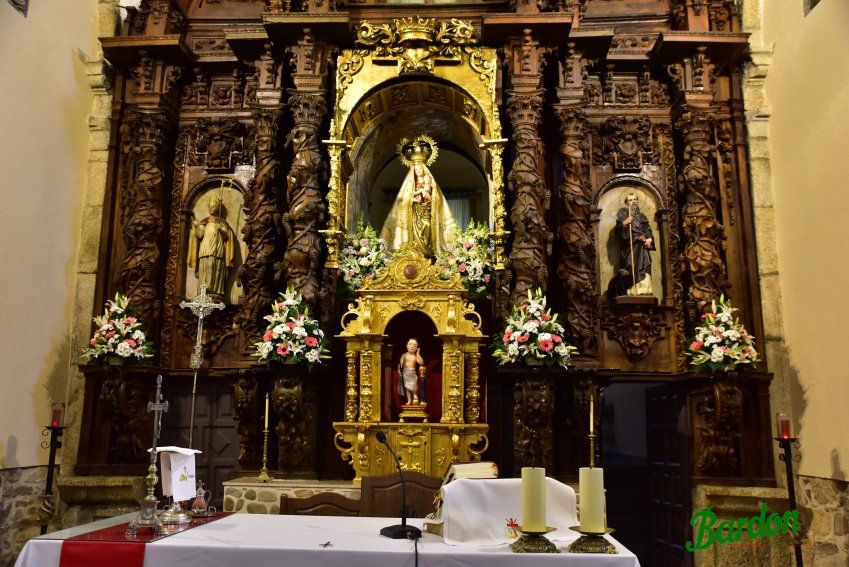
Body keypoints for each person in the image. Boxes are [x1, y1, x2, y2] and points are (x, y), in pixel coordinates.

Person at [379, 136, 455, 255]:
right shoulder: (409, 186)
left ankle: (426, 252)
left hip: (426, 214)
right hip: (413, 215)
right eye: (417, 169)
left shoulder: (429, 184)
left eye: (421, 168)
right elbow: (403, 201)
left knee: (427, 228)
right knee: (413, 234)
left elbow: (435, 200)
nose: (419, 170)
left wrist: (429, 194)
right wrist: (411, 200)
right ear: (413, 170)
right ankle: (414, 252)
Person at [187, 196, 235, 299]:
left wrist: (221, 230)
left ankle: (215, 291)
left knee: (216, 267)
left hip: (217, 249)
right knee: (205, 266)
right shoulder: (205, 222)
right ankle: (203, 291)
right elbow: (199, 235)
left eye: (213, 206)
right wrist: (198, 226)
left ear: (218, 208)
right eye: (209, 206)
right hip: (205, 248)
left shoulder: (222, 222)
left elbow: (227, 236)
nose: (211, 208)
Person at [611, 193, 654, 297]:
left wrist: (649, 239)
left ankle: (642, 290)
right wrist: (625, 223)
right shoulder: (623, 216)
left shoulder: (642, 216)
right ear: (626, 203)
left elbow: (648, 230)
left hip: (642, 247)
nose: (633, 202)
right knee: (631, 268)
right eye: (630, 200)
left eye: (635, 199)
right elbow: (618, 233)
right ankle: (631, 290)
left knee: (644, 267)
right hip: (629, 247)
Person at [397, 338, 424, 406]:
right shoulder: (404, 355)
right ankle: (409, 400)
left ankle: (415, 395)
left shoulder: (415, 356)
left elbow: (421, 363)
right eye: (410, 344)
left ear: (417, 348)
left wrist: (418, 353)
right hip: (405, 373)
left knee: (414, 385)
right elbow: (400, 364)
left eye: (414, 346)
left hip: (412, 373)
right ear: (407, 346)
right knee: (407, 388)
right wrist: (399, 371)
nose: (412, 346)